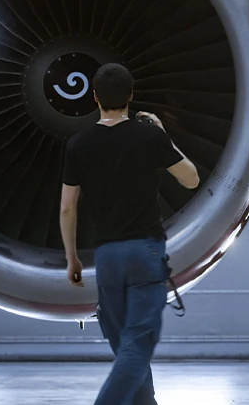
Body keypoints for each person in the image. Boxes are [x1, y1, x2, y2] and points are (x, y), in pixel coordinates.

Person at [59, 63, 200, 405]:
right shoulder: (149, 137)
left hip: (107, 258)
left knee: (126, 347)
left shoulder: (78, 144)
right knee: (135, 350)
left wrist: (72, 258)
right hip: (145, 255)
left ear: (94, 98)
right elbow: (191, 178)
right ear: (131, 97)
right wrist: (163, 135)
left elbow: (67, 208)